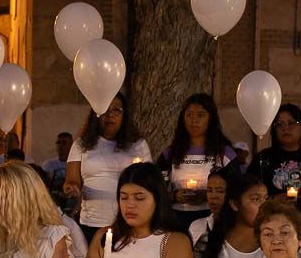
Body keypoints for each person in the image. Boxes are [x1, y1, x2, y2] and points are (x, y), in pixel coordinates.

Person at [63, 94, 151, 243]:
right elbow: (71, 180)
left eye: (116, 110)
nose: (110, 115)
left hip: (127, 222)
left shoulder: (138, 145)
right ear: (96, 114)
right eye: (105, 110)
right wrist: (71, 188)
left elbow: (149, 181)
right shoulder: (81, 144)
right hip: (91, 222)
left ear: (125, 115)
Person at [159, 93, 234, 223]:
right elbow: (156, 189)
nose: (194, 120)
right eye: (189, 115)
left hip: (213, 220)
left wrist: (208, 195)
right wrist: (175, 196)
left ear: (211, 119)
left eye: (200, 115)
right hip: (177, 220)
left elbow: (236, 189)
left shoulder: (224, 154)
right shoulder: (170, 154)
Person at [250, 104, 301, 219]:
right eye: (279, 124)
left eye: (291, 123)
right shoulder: (263, 158)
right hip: (273, 222)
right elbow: (249, 194)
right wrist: (273, 200)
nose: (285, 128)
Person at [42, 131, 74, 197]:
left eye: (64, 143)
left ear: (71, 146)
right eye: (58, 143)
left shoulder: (76, 165)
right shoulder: (48, 165)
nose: (60, 146)